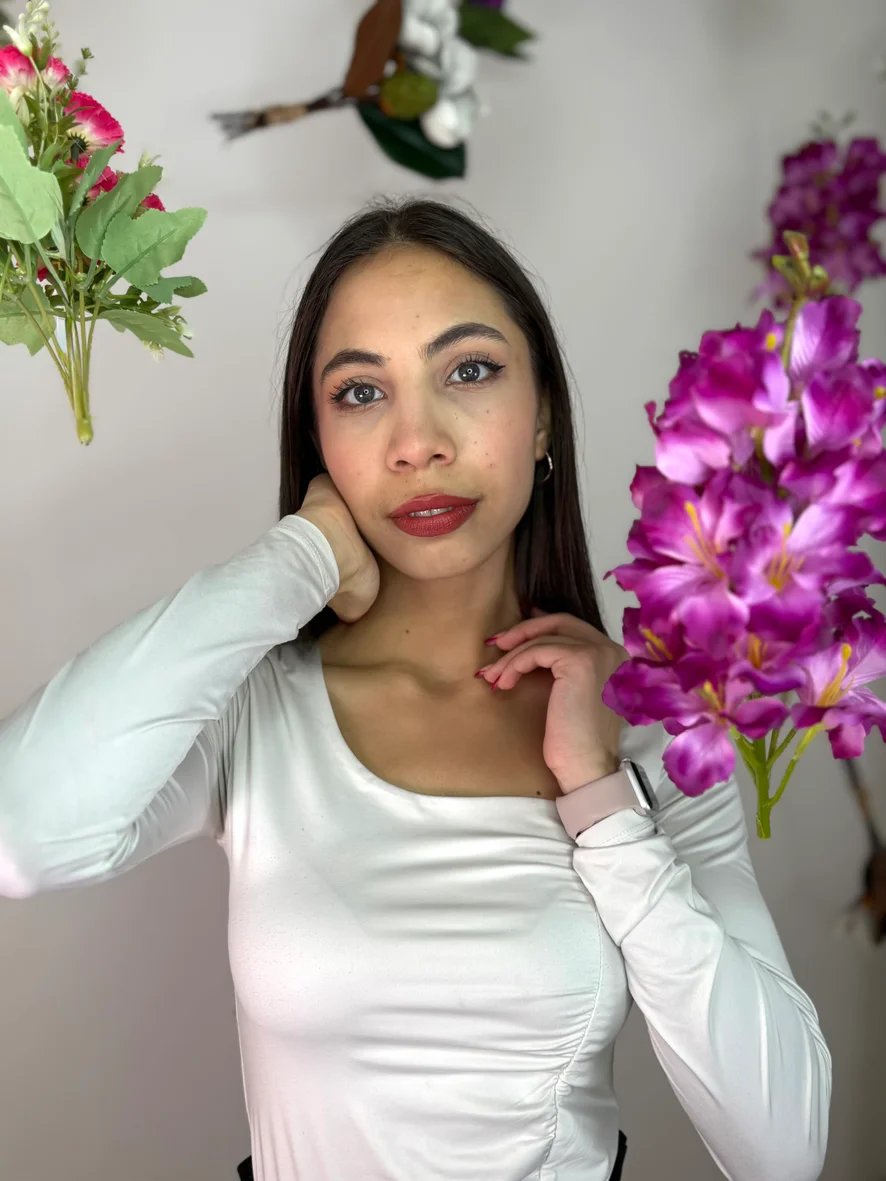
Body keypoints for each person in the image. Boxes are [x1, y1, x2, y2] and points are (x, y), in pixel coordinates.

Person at [0, 197, 831, 1181]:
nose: (417, 441)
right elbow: (20, 834)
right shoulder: (254, 712)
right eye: (360, 392)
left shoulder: (654, 734)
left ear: (543, 414)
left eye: (468, 371)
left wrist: (603, 800)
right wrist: (299, 558)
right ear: (319, 441)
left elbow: (781, 1148)